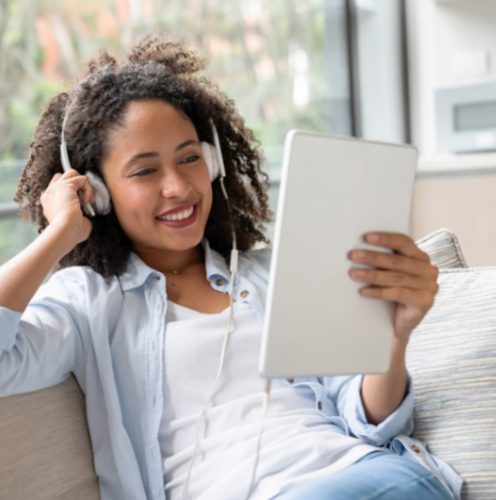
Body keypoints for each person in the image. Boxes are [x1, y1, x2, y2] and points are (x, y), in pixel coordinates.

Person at [0, 34, 459, 500]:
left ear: (213, 162)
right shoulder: (88, 301)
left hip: (369, 477)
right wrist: (59, 233)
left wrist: (393, 338)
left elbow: (373, 425)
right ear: (94, 191)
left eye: (189, 158)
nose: (178, 186)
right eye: (145, 171)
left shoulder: (276, 273)